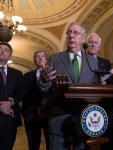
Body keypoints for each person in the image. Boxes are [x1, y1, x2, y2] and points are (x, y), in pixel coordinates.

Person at [39, 22, 98, 150]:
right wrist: (44, 80)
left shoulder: (93, 61)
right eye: (69, 33)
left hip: (83, 120)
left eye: (76, 33)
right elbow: (45, 88)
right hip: (58, 119)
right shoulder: (55, 59)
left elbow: (94, 88)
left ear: (83, 39)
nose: (71, 36)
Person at [22, 50, 49, 150]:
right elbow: (24, 95)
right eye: (37, 56)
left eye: (42, 56)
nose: (40, 58)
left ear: (46, 59)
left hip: (49, 115)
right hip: (31, 115)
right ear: (34, 60)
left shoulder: (54, 74)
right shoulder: (27, 76)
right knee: (33, 144)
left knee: (51, 143)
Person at [0, 42, 23, 150]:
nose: (2, 51)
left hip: (11, 119)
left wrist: (10, 103)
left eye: (6, 50)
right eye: (0, 48)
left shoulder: (17, 73)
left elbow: (21, 92)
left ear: (10, 55)